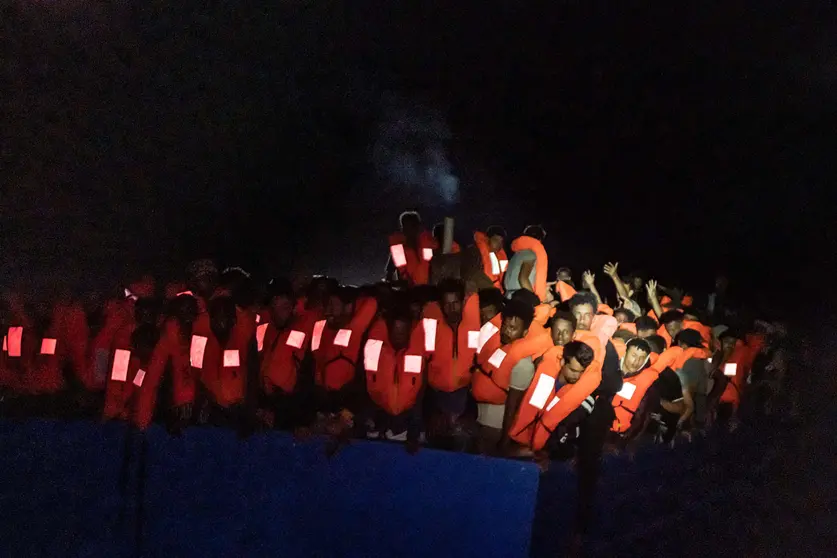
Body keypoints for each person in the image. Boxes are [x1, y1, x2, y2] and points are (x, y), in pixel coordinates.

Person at [471, 298, 536, 455]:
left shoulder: (523, 364)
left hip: (495, 427)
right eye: (505, 326)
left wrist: (504, 442)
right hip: (479, 419)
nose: (507, 331)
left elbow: (512, 407)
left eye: (513, 328)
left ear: (525, 333)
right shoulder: (500, 349)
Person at [422, 279, 481, 449]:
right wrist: (430, 409)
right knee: (436, 446)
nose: (451, 309)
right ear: (441, 305)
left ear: (463, 302)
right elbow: (422, 365)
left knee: (463, 446)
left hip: (465, 396)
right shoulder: (431, 327)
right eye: (447, 304)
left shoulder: (474, 324)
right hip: (436, 396)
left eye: (455, 303)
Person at [361, 304, 426, 450]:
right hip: (380, 417)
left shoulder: (418, 354)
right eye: (395, 333)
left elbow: (420, 394)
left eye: (402, 333)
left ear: (409, 332)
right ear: (388, 331)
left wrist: (414, 431)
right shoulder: (374, 351)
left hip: (408, 419)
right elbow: (366, 387)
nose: (399, 338)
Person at [258, 280, 314, 430]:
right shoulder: (265, 329)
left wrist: (302, 420)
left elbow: (309, 378)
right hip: (266, 406)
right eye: (273, 306)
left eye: (285, 306)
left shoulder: (308, 328)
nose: (278, 312)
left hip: (292, 410)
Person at [385, 211, 435, 286]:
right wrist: (398, 284)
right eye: (406, 226)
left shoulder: (427, 247)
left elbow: (433, 268)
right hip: (407, 293)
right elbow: (389, 276)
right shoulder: (398, 251)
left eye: (413, 225)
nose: (410, 229)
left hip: (427, 291)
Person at [504, 225, 548, 302]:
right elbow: (523, 278)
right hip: (520, 298)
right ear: (539, 239)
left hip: (509, 296)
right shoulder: (530, 254)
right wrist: (534, 300)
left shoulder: (516, 254)